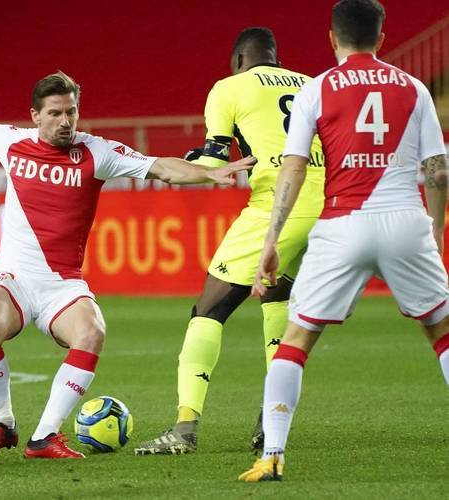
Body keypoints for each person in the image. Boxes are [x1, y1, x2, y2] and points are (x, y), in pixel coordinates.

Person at [0, 70, 256, 459]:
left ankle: (44, 436)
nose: (65, 121)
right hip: (14, 278)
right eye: (55, 113)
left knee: (91, 332)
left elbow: (162, 167)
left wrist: (210, 173)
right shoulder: (10, 140)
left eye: (71, 112)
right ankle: (3, 423)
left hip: (62, 284)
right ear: (35, 115)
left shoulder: (96, 152)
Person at [239, 0, 449, 482]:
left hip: (342, 224)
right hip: (405, 219)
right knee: (442, 332)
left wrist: (272, 238)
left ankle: (272, 455)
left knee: (296, 341)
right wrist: (436, 232)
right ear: (381, 38)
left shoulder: (316, 89)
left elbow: (293, 167)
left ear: (333, 38)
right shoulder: (414, 88)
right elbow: (438, 171)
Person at [135, 27, 325, 455]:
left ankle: (184, 428)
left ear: (239, 60)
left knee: (209, 309)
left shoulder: (229, 87)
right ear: (276, 57)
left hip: (277, 205)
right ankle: (271, 416)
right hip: (328, 209)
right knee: (276, 299)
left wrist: (186, 164)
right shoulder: (311, 84)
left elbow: (215, 158)